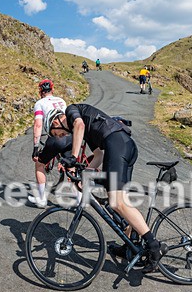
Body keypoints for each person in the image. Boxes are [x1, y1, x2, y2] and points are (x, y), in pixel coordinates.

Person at [48, 103, 165, 271]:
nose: (60, 137)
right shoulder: (86, 131)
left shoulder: (71, 111)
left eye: (56, 133)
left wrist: (73, 157)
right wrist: (85, 175)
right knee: (121, 203)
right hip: (123, 145)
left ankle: (154, 247)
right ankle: (130, 245)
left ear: (57, 121)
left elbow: (79, 125)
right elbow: (98, 155)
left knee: (116, 202)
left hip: (116, 144)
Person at [28, 79, 67, 207]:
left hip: (55, 137)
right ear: (52, 89)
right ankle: (79, 201)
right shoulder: (61, 101)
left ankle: (42, 199)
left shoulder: (40, 103)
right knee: (71, 166)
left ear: (40, 91)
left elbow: (38, 125)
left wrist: (36, 146)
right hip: (70, 135)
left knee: (40, 164)